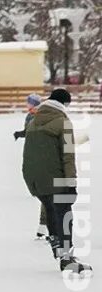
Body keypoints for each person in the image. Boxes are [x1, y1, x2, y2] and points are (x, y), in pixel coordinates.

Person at [22, 88, 92, 276]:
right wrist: (71, 183)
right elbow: (68, 155)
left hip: (34, 178)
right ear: (65, 104)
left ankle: (58, 248)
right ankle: (66, 258)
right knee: (64, 214)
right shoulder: (64, 122)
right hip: (55, 178)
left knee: (52, 211)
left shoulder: (34, 120)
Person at [13, 94, 47, 239]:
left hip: (43, 155)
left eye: (30, 103)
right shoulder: (29, 116)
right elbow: (29, 132)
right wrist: (21, 133)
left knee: (48, 195)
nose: (28, 106)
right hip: (32, 154)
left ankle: (46, 228)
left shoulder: (41, 116)